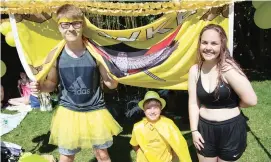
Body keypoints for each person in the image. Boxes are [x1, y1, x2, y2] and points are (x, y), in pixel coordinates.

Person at [30, 4, 122, 162]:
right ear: (59, 27)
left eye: (76, 23)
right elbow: (51, 83)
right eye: (65, 24)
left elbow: (111, 84)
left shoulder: (95, 52)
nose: (71, 29)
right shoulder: (55, 54)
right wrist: (40, 87)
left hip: (95, 111)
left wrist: (114, 78)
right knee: (66, 157)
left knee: (102, 156)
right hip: (69, 112)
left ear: (82, 25)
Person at [188, 24, 257, 162]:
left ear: (222, 46)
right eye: (204, 42)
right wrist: (194, 131)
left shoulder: (228, 68)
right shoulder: (195, 71)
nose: (208, 47)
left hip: (230, 129)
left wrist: (233, 105)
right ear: (199, 44)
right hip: (204, 129)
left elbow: (251, 100)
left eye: (214, 43)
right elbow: (193, 103)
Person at [130, 91, 192, 162]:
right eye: (148, 108)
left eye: (156, 107)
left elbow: (178, 143)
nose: (152, 111)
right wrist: (139, 153)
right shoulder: (138, 127)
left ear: (161, 109)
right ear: (144, 110)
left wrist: (174, 156)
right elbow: (134, 144)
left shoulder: (168, 124)